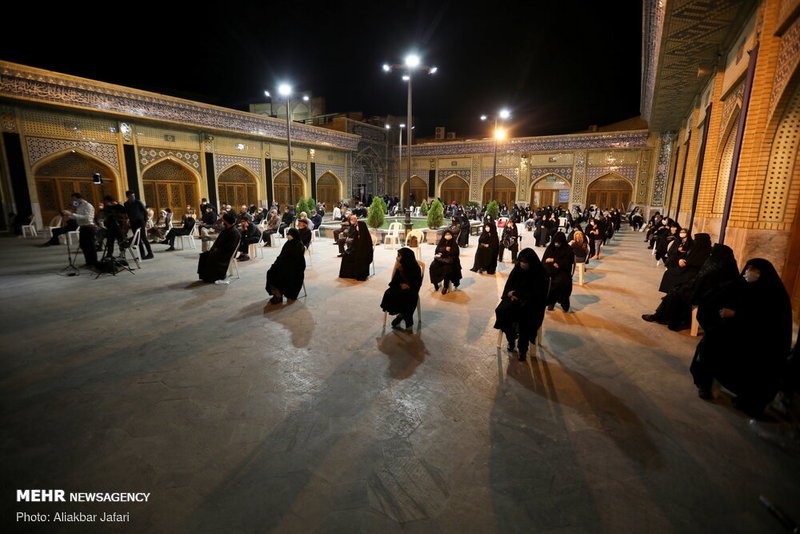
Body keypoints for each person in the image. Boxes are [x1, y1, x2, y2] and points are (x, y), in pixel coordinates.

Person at [690, 258, 792, 416]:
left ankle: (747, 398)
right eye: (748, 268)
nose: (749, 272)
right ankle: (707, 385)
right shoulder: (737, 285)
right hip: (730, 331)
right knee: (710, 343)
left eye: (754, 269)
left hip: (758, 339)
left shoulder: (774, 294)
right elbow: (711, 299)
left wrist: (737, 315)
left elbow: (770, 323)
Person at [494, 248, 548, 361]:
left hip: (532, 303)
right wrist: (509, 294)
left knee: (526, 318)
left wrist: (519, 295)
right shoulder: (517, 269)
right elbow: (509, 284)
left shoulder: (540, 273)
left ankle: (523, 348)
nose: (522, 264)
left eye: (525, 262)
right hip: (514, 299)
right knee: (502, 311)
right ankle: (511, 339)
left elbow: (538, 294)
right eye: (521, 262)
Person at [380, 247, 423, 330]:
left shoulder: (416, 268)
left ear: (406, 257)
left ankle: (405, 318)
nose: (397, 258)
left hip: (411, 289)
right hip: (399, 287)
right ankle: (401, 314)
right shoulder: (400, 265)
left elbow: (416, 283)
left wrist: (407, 285)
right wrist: (400, 284)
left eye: (399, 256)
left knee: (408, 296)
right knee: (389, 293)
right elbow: (394, 281)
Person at [265, 227, 306, 304]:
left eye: (290, 234)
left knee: (281, 275)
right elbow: (282, 255)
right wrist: (277, 262)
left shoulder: (299, 245)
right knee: (271, 272)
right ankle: (277, 293)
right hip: (284, 264)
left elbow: (296, 260)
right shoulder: (288, 243)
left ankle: (279, 295)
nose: (288, 236)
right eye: (288, 234)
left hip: (295, 267)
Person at [197, 212, 240, 283]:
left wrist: (218, 249)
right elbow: (218, 240)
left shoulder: (234, 232)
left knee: (211, 256)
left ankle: (214, 277)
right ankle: (204, 276)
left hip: (226, 253)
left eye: (223, 220)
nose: (222, 221)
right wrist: (214, 248)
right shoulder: (226, 229)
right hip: (220, 250)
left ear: (226, 221)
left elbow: (230, 246)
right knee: (204, 255)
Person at [542, 231, 574, 311]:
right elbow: (544, 260)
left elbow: (568, 262)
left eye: (558, 243)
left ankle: (560, 302)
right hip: (550, 270)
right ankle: (550, 301)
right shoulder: (551, 247)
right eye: (555, 242)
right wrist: (551, 263)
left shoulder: (568, 249)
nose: (556, 244)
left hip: (563, 271)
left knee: (559, 282)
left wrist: (556, 261)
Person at [429, 229, 462, 294]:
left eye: (449, 234)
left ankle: (445, 286)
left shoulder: (454, 243)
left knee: (447, 269)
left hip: (450, 261)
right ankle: (435, 283)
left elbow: (456, 254)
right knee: (432, 266)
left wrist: (448, 251)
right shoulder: (441, 242)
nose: (448, 236)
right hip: (441, 260)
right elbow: (437, 251)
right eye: (446, 234)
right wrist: (443, 251)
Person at [124, 190, 153, 259]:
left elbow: (145, 212)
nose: (132, 197)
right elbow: (127, 213)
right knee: (137, 239)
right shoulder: (126, 204)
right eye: (131, 196)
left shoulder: (138, 202)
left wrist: (145, 221)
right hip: (133, 222)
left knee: (144, 238)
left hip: (140, 221)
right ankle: (142, 254)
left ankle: (150, 253)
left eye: (133, 195)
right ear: (127, 196)